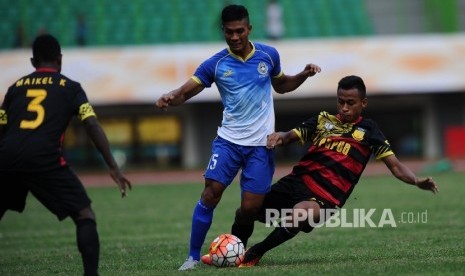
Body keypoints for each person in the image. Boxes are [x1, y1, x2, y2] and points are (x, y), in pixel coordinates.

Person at [155, 4, 321, 270]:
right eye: (229, 32)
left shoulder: (268, 55)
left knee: (250, 209)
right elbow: (186, 91)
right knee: (211, 194)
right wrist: (170, 97)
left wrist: (303, 74)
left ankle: (235, 250)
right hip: (228, 142)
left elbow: (281, 85)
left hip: (261, 146)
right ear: (223, 31)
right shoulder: (216, 63)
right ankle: (193, 257)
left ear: (249, 29)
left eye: (239, 31)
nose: (234, 37)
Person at [238, 75, 439, 267]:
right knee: (246, 210)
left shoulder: (369, 131)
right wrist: (278, 137)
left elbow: (395, 166)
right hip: (295, 183)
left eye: (350, 103)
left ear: (364, 103)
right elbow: (289, 135)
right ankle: (233, 251)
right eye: (340, 101)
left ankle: (254, 253)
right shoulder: (322, 120)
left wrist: (415, 180)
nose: (344, 108)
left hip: (326, 198)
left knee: (299, 214)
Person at [0, 34, 132, 276]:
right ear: (60, 60)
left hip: (6, 157)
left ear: (32, 61)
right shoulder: (70, 87)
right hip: (43, 158)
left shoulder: (14, 89)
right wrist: (112, 166)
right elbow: (91, 124)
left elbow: (1, 127)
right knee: (84, 214)